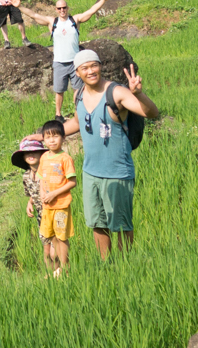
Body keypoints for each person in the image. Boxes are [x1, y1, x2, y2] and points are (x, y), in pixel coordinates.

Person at [68, 50, 160, 259]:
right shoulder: (79, 95)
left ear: (100, 66)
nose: (91, 71)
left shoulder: (116, 92)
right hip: (90, 172)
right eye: (85, 68)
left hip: (117, 171)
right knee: (98, 224)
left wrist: (137, 93)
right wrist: (43, 137)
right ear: (78, 72)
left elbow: (151, 113)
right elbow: (76, 122)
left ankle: (126, 265)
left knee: (121, 224)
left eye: (94, 65)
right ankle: (106, 266)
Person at [12, 129, 77, 278]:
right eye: (27, 153)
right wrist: (30, 203)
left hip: (54, 209)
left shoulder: (49, 169)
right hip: (42, 216)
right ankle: (51, 274)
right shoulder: (26, 176)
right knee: (47, 250)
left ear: (41, 155)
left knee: (56, 248)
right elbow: (31, 193)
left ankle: (63, 271)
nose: (31, 155)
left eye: (35, 152)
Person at [47, 0, 116, 119]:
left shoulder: (75, 19)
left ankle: (78, 112)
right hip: (59, 62)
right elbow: (33, 15)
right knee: (59, 90)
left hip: (75, 62)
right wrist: (19, 6)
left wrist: (103, 0)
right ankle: (58, 114)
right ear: (56, 9)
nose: (62, 10)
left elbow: (91, 11)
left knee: (78, 89)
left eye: (64, 7)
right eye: (59, 8)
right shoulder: (52, 22)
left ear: (68, 8)